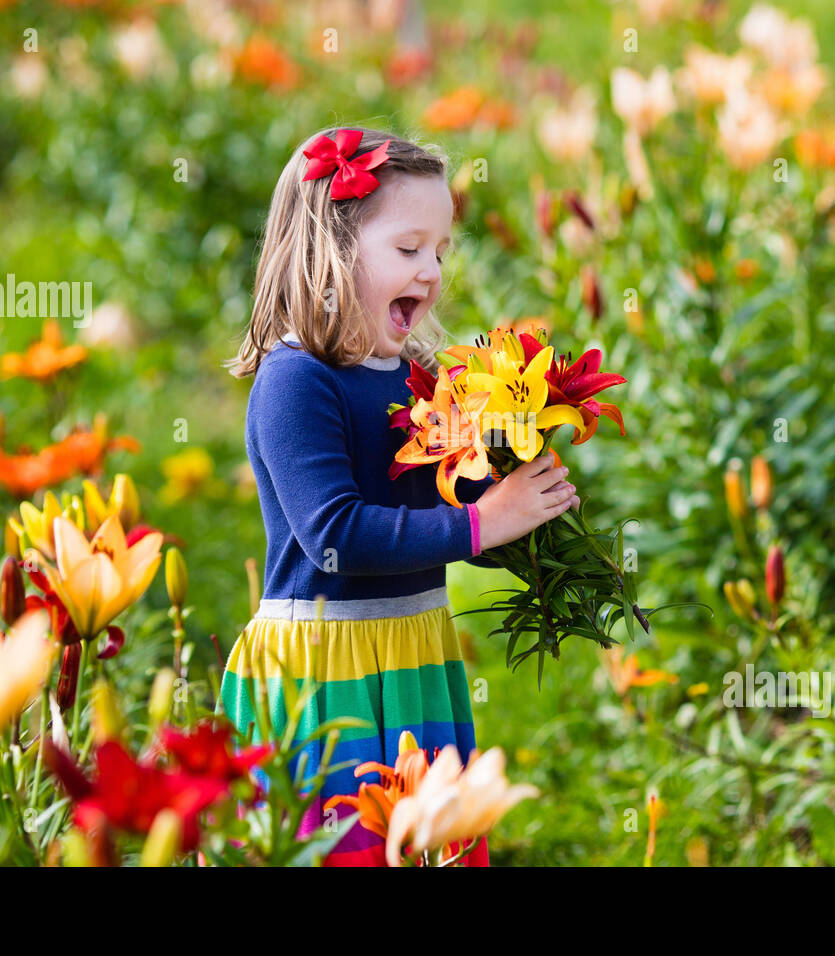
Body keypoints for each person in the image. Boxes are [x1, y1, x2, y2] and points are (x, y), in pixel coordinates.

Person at [219, 126, 579, 866]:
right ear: (331, 247)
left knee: (425, 848)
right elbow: (337, 535)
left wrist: (517, 458)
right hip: (325, 668)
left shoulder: (417, 378)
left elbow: (445, 493)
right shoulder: (296, 380)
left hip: (414, 655)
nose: (433, 271)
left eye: (441, 252)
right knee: (342, 845)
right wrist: (485, 523)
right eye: (410, 249)